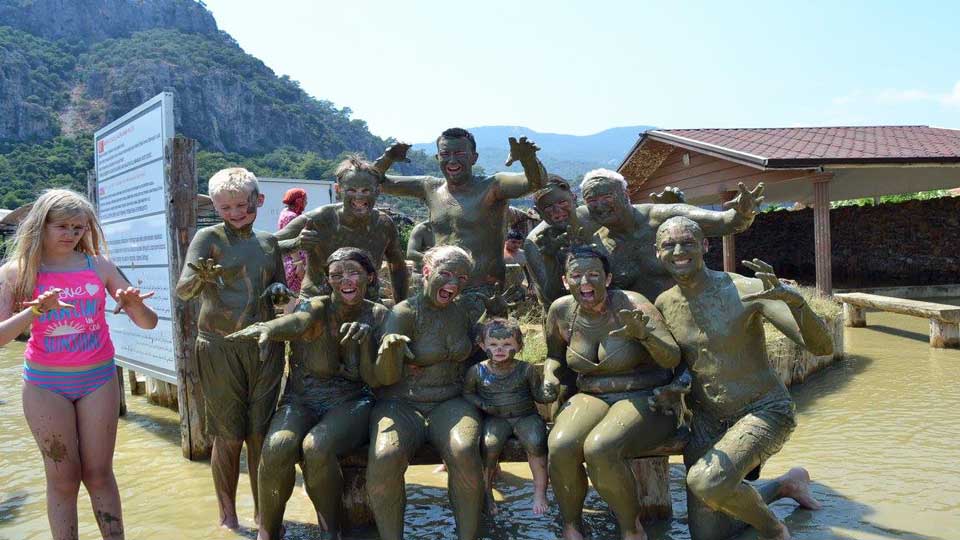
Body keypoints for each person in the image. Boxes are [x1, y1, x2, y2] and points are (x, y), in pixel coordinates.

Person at [654, 216, 832, 540]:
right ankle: (784, 485)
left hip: (764, 409)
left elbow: (822, 348)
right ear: (658, 253)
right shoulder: (664, 304)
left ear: (705, 246)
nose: (678, 251)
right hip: (707, 421)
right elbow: (679, 362)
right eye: (669, 245)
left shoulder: (746, 289)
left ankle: (774, 530)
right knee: (708, 534)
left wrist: (798, 303)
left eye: (687, 243)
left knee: (705, 482)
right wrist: (672, 388)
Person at [0, 188, 158, 540]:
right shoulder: (16, 272)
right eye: (62, 226)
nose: (71, 234)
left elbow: (149, 323)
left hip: (98, 380)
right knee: (63, 478)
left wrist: (135, 305)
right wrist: (34, 311)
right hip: (45, 386)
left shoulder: (99, 266)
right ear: (41, 226)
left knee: (99, 474)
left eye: (78, 227)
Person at [227, 247, 387, 540]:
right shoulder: (315, 308)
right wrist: (268, 328)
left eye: (353, 272)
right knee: (278, 446)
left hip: (352, 401)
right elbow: (297, 322)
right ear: (328, 281)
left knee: (317, 447)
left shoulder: (378, 315)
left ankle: (330, 532)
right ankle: (268, 532)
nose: (345, 280)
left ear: (370, 277)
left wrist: (368, 344)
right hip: (300, 400)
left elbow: (379, 378)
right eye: (336, 275)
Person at [365, 245, 513, 540]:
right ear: (427, 272)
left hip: (450, 400)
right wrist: (390, 351)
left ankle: (468, 535)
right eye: (445, 274)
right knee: (385, 456)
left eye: (461, 278)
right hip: (401, 404)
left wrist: (497, 316)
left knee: (463, 450)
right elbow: (384, 378)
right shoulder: (404, 313)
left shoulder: (463, 313)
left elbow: (483, 353)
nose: (453, 283)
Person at [175, 168, 291, 529]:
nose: (235, 213)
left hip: (263, 346)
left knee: (260, 433)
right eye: (226, 208)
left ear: (259, 200)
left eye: (242, 205)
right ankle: (228, 517)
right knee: (227, 435)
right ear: (216, 207)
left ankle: (263, 515)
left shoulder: (269, 243)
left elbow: (280, 292)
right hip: (219, 347)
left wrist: (278, 292)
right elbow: (184, 291)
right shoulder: (208, 238)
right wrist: (202, 277)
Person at [542, 246, 682, 540]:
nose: (585, 282)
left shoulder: (633, 304)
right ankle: (572, 526)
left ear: (607, 279)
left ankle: (632, 529)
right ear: (565, 281)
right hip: (591, 394)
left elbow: (672, 357)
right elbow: (555, 357)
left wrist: (644, 335)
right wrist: (549, 376)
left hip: (645, 395)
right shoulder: (561, 311)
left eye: (593, 275)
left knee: (601, 447)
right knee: (561, 445)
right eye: (576, 276)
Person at [373, 128, 546, 319]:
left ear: (474, 158)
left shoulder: (492, 186)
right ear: (438, 157)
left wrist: (529, 159)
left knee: (484, 338)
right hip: (439, 289)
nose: (452, 160)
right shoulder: (430, 187)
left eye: (460, 153)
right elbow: (374, 182)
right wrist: (387, 158)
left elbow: (534, 183)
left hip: (482, 292)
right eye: (445, 154)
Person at [576, 169, 764, 301]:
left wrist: (744, 213)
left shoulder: (662, 217)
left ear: (625, 195)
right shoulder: (596, 243)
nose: (599, 205)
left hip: (688, 315)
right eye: (591, 200)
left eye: (607, 197)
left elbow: (728, 222)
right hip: (639, 329)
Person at [274, 155, 408, 302]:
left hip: (367, 303)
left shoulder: (384, 225)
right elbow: (266, 246)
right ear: (338, 190)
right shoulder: (319, 219)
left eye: (365, 191)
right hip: (318, 301)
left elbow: (398, 267)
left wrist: (400, 306)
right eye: (351, 190)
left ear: (378, 191)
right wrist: (296, 244)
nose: (359, 197)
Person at [463, 318, 554, 516]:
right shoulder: (477, 371)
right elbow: (468, 393)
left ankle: (540, 492)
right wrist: (482, 404)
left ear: (519, 346)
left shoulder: (527, 369)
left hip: (525, 416)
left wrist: (549, 392)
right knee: (489, 445)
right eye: (493, 344)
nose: (499, 349)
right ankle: (487, 492)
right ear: (482, 345)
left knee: (536, 442)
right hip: (496, 418)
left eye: (506, 344)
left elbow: (539, 395)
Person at [278, 188, 308, 311]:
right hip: (293, 262)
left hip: (289, 260)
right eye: (305, 200)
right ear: (298, 201)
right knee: (292, 296)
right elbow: (291, 240)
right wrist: (298, 263)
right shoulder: (292, 217)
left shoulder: (285, 213)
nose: (306, 203)